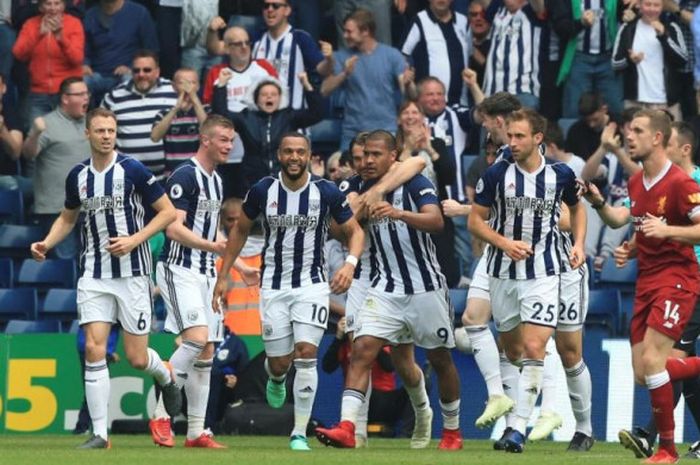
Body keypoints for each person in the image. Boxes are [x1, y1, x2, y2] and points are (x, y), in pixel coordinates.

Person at [29, 107, 181, 449]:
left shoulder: (133, 170)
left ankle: (166, 375)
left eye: (111, 130)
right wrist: (46, 243)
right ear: (88, 133)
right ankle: (100, 434)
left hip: (134, 275)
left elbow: (168, 213)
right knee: (94, 349)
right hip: (94, 275)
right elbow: (67, 219)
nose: (106, 135)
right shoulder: (78, 176)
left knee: (137, 358)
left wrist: (134, 240)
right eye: (100, 130)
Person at [212, 132, 365, 451]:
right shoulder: (262, 190)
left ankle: (298, 432)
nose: (294, 157)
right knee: (279, 362)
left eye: (300, 152)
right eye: (288, 152)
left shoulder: (325, 191)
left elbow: (355, 231)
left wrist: (349, 264)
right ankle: (277, 378)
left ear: (309, 155)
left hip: (312, 285)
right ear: (279, 155)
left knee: (307, 354)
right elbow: (240, 229)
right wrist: (225, 273)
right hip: (274, 286)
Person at [315, 130, 464, 450]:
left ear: (391, 156)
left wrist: (398, 213)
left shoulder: (414, 182)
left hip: (425, 286)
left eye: (375, 155)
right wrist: (355, 211)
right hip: (383, 285)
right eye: (364, 154)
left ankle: (451, 431)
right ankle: (348, 427)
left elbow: (436, 221)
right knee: (362, 350)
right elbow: (337, 230)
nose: (367, 161)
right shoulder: (354, 187)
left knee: (439, 359)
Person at [468, 108, 586, 453]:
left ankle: (517, 427)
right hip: (503, 273)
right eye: (511, 136)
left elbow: (578, 209)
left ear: (539, 139)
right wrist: (504, 243)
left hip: (544, 272)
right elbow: (475, 222)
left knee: (535, 347)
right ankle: (533, 410)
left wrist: (578, 244)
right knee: (514, 350)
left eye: (520, 136)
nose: (512, 142)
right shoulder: (495, 175)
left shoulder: (560, 175)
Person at [582, 119, 700, 462]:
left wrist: (667, 231)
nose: (628, 137)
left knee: (653, 362)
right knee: (643, 373)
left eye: (637, 132)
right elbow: (629, 221)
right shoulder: (636, 182)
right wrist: (604, 210)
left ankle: (666, 449)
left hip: (678, 278)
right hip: (646, 282)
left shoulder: (680, 183)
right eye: (628, 132)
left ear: (658, 137)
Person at [150, 115, 259, 449]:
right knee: (195, 340)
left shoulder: (216, 180)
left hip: (206, 271)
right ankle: (160, 413)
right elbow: (173, 228)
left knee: (208, 351)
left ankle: (196, 431)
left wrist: (237, 264)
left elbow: (215, 233)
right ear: (206, 139)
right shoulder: (185, 175)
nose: (229, 146)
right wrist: (212, 248)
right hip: (179, 268)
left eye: (231, 141)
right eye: (223, 140)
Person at [212, 70, 323, 196]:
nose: (269, 97)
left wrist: (307, 85)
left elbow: (317, 113)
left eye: (274, 94)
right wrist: (221, 86)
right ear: (256, 98)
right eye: (264, 94)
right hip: (252, 180)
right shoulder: (246, 117)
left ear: (280, 98)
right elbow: (221, 117)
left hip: (284, 178)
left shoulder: (289, 116)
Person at [321, 8, 411, 149]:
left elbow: (406, 90)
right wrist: (345, 73)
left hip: (386, 132)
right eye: (344, 31)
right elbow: (324, 90)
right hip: (353, 134)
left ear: (365, 31)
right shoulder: (342, 56)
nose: (344, 35)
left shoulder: (391, 55)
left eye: (349, 31)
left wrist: (408, 82)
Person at [22, 76, 89, 259]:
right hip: (56, 210)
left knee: (88, 265)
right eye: (80, 94)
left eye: (86, 93)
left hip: (88, 208)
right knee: (65, 263)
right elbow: (28, 154)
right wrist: (35, 133)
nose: (86, 98)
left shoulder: (90, 124)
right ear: (65, 98)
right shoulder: (47, 123)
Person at [102, 49, 177, 180]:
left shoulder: (173, 91)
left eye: (147, 70)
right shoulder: (115, 96)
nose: (141, 74)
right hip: (128, 178)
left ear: (157, 72)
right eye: (136, 70)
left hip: (168, 177)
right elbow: (99, 128)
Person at [612, 0, 688, 122]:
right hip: (635, 102)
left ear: (662, 7)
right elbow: (615, 63)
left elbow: (682, 60)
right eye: (648, 4)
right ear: (640, 5)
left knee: (670, 140)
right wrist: (630, 60)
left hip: (666, 103)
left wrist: (664, 36)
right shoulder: (628, 28)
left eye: (656, 5)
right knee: (634, 140)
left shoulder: (672, 27)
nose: (652, 9)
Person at [11, 0, 84, 127]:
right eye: (48, 4)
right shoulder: (31, 24)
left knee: (68, 137)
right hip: (39, 93)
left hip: (67, 93)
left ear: (63, 6)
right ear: (40, 7)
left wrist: (61, 38)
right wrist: (39, 33)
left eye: (57, 3)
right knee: (37, 136)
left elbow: (77, 59)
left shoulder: (74, 23)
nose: (53, 8)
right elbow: (18, 53)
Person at [250, 0, 333, 110]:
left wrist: (329, 59)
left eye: (275, 6)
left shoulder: (301, 39)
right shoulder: (256, 39)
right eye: (266, 6)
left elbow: (323, 70)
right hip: (260, 119)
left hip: (293, 119)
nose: (270, 10)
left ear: (287, 10)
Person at [82, 0, 159, 107]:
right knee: (80, 84)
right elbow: (85, 49)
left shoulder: (140, 13)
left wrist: (132, 67)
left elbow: (151, 50)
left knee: (129, 79)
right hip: (97, 75)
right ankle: (85, 121)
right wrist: (85, 64)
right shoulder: (90, 15)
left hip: (126, 74)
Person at [401, 0, 470, 106]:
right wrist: (407, 76)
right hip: (428, 105)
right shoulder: (419, 20)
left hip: (460, 103)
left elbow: (470, 54)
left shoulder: (463, 21)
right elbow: (402, 55)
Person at [482, 0, 546, 109]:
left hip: (522, 92)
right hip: (492, 93)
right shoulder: (497, 10)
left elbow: (540, 7)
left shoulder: (531, 11)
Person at [151, 67, 209, 175]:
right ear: (174, 86)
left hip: (201, 173)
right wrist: (175, 108)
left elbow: (209, 131)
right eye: (182, 83)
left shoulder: (206, 110)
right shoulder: (164, 114)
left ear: (198, 86)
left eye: (192, 83)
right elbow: (155, 137)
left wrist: (194, 99)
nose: (187, 87)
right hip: (173, 174)